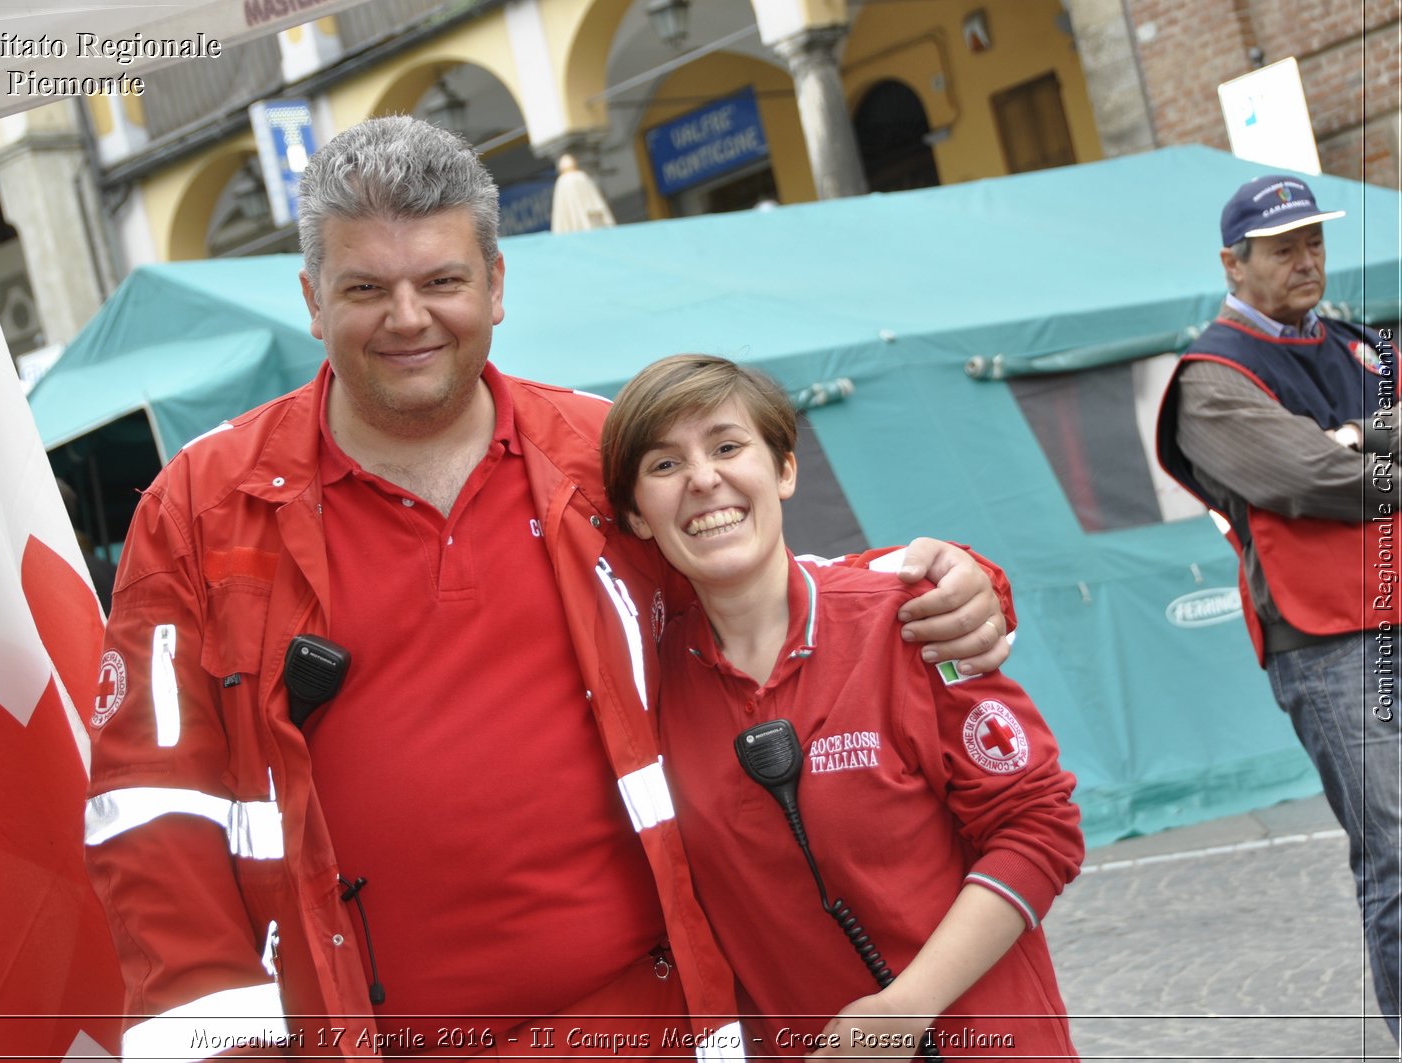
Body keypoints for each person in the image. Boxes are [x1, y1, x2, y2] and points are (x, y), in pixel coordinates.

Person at [83, 115, 1016, 1060]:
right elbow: (153, 817)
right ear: (313, 301)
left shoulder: (602, 454)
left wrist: (946, 586)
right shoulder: (204, 506)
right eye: (366, 287)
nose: (408, 318)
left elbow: (760, 603)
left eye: (442, 281)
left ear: (495, 286)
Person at [600, 355, 1082, 1060]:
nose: (704, 478)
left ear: (785, 471)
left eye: (728, 447)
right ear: (638, 514)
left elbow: (1041, 827)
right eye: (665, 464)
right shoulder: (645, 691)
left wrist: (903, 1009)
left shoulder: (910, 621)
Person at [1155, 174, 1400, 1039]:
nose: (1307, 260)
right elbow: (1311, 479)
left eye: (1315, 241)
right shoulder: (1211, 377)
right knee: (1398, 855)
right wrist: (1357, 450)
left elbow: (1344, 461)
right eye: (1284, 246)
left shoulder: (1358, 346)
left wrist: (1356, 437)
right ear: (1234, 262)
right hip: (1328, 639)